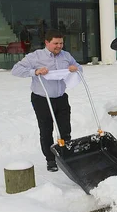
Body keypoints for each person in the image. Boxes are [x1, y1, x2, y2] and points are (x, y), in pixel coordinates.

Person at [11, 29, 82, 172]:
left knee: (65, 129)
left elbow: (79, 68)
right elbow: (15, 70)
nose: (59, 46)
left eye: (61, 43)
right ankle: (50, 160)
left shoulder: (66, 56)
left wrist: (76, 68)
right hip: (42, 99)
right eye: (55, 43)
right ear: (47, 42)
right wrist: (35, 72)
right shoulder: (35, 56)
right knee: (46, 130)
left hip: (61, 98)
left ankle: (65, 156)